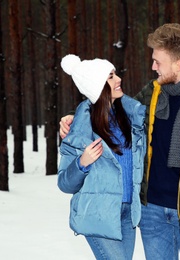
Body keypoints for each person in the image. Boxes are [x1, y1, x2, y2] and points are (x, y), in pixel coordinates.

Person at [59, 23, 180, 260]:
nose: (153, 67)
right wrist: (76, 116)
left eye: (158, 62)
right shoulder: (153, 93)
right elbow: (110, 107)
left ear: (179, 64)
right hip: (151, 212)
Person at [57, 54, 146, 260]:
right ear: (97, 86)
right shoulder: (81, 128)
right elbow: (64, 184)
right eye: (111, 77)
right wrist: (82, 163)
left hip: (127, 213)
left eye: (115, 74)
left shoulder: (129, 118)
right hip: (98, 216)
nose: (118, 79)